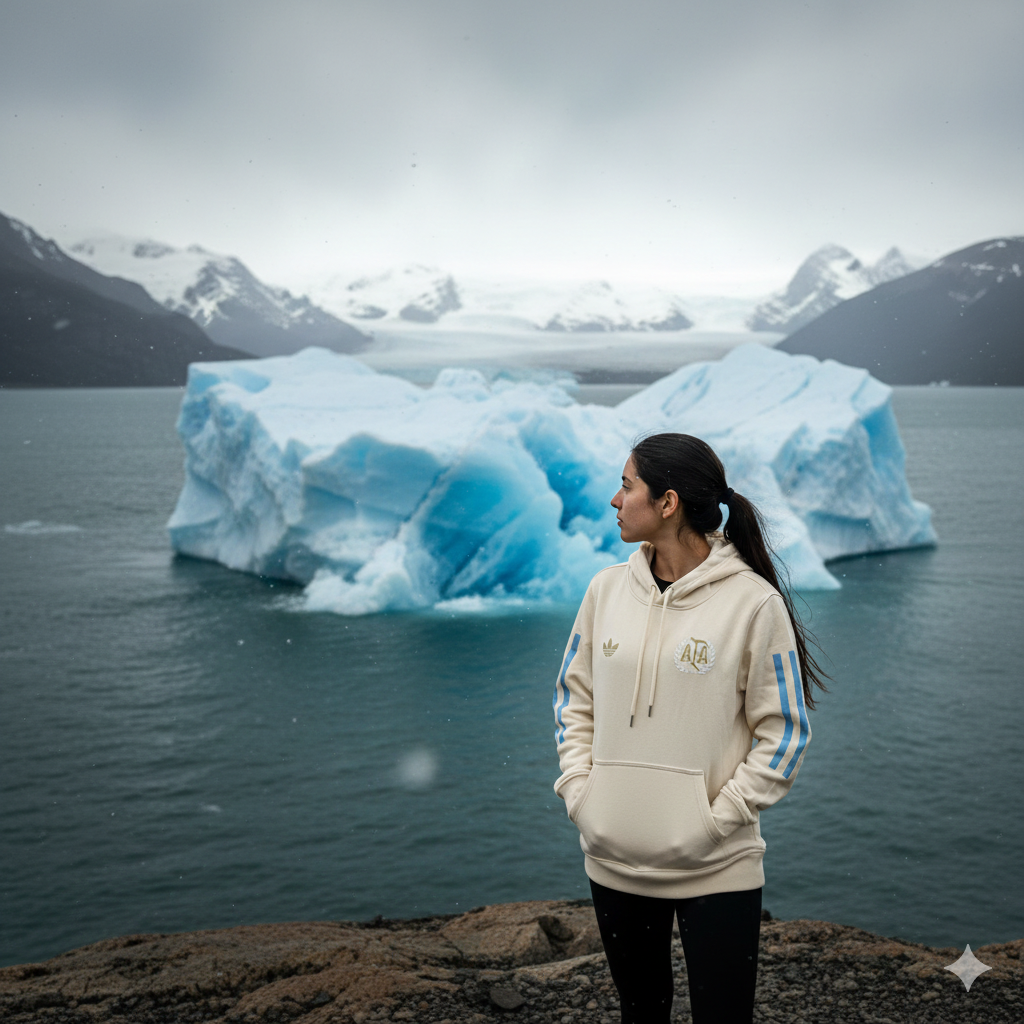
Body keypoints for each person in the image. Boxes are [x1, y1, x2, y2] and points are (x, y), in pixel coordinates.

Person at [552, 432, 827, 1024]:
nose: (614, 500)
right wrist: (581, 793)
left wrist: (716, 820)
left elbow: (785, 733)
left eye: (627, 486)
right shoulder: (605, 591)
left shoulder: (752, 604)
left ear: (668, 502)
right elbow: (574, 700)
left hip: (717, 866)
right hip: (613, 858)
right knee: (640, 1013)